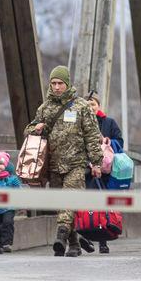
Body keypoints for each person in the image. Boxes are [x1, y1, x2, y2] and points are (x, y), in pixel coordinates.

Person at [25, 65, 103, 257]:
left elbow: (92, 135)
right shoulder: (45, 108)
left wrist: (97, 162)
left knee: (69, 199)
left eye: (60, 83)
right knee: (63, 205)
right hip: (53, 165)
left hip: (76, 164)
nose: (57, 87)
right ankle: (75, 244)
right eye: (54, 83)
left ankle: (60, 236)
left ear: (67, 84)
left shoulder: (81, 106)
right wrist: (36, 129)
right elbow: (28, 129)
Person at [82, 92, 124, 254]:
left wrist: (108, 141)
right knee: (86, 207)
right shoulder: (80, 123)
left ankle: (103, 241)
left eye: (93, 104)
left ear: (99, 106)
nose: (91, 108)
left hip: (104, 172)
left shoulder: (109, 123)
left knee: (101, 206)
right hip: (86, 170)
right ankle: (85, 238)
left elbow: (120, 142)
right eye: (87, 105)